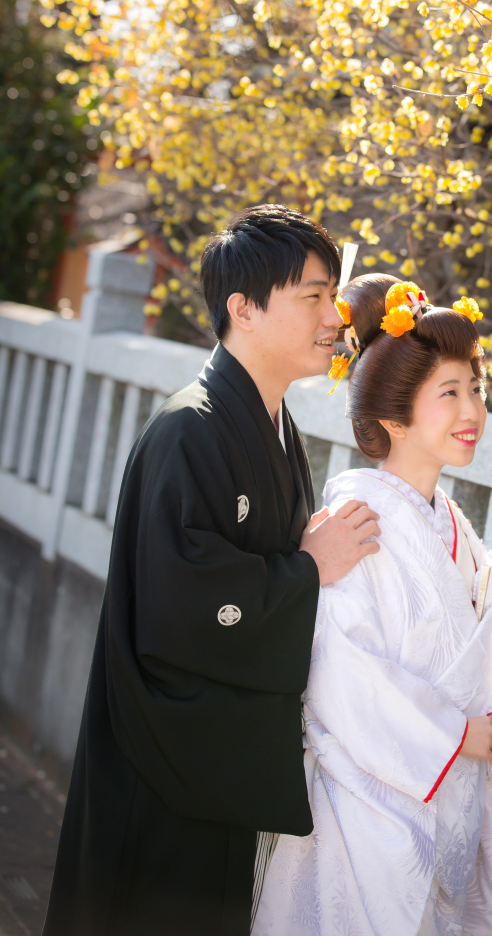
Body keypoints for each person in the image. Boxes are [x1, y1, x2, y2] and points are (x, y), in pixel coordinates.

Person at [43, 205, 381, 936]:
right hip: (162, 762)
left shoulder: (274, 424)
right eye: (314, 297)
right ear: (244, 310)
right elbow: (181, 604)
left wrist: (301, 567)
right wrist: (305, 571)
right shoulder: (187, 430)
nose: (335, 316)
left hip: (214, 761)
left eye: (334, 295)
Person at [253, 275, 492, 936]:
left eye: (477, 389)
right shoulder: (357, 522)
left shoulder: (455, 530)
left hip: (448, 798)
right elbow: (343, 679)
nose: (472, 411)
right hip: (366, 815)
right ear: (392, 418)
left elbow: (472, 664)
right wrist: (461, 735)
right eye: (449, 393)